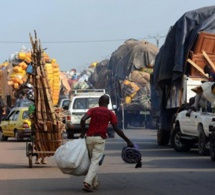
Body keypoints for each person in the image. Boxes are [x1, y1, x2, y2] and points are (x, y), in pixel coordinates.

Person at [80, 94, 134, 192]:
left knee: (92, 161)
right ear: (108, 103)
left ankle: (95, 183)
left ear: (99, 102)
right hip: (100, 139)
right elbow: (117, 129)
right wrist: (128, 140)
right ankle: (87, 182)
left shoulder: (93, 110)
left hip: (89, 138)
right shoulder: (110, 113)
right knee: (95, 161)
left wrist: (83, 131)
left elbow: (83, 119)